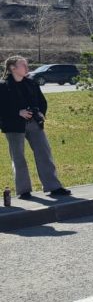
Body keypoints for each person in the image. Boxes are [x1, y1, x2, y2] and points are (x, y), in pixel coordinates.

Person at [0, 56, 71, 199]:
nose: (27, 68)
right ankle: (24, 191)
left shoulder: (31, 83)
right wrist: (17, 112)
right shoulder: (3, 86)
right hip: (14, 125)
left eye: (26, 65)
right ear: (12, 68)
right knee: (18, 157)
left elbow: (42, 102)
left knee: (44, 152)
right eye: (23, 65)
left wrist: (40, 112)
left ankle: (54, 187)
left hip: (34, 123)